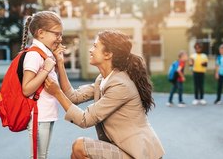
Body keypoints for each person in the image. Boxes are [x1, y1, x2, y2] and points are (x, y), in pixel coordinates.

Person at [45, 30, 165, 159]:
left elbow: (85, 119)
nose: (91, 50)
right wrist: (61, 64)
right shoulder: (103, 79)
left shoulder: (120, 85)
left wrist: (57, 93)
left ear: (108, 54)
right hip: (121, 148)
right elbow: (73, 96)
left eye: (95, 46)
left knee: (80, 146)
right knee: (76, 154)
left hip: (139, 154)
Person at [21, 11, 63, 159]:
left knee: (41, 156)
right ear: (41, 33)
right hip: (39, 116)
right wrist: (46, 69)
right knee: (39, 157)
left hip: (47, 114)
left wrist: (57, 63)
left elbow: (51, 83)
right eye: (57, 34)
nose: (60, 38)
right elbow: (26, 89)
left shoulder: (45, 53)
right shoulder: (34, 55)